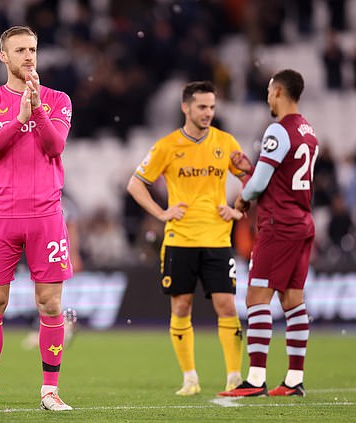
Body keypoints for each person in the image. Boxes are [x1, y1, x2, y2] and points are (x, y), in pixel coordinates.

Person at [0, 25, 74, 412]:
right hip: (1, 216)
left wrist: (37, 110)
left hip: (45, 215)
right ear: (4, 57)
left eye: (32, 49)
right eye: (20, 50)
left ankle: (49, 391)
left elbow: (55, 144)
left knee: (50, 304)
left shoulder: (58, 100)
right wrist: (18, 118)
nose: (28, 56)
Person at [126, 81, 246, 396]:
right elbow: (136, 185)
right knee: (181, 307)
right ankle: (190, 378)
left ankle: (234, 376)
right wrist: (162, 212)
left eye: (211, 107)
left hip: (218, 239)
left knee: (227, 306)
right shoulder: (167, 146)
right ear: (186, 108)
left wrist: (238, 208)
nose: (208, 113)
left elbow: (252, 178)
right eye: (202, 107)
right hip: (180, 239)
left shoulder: (226, 142)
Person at [220, 69, 319, 397]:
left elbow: (262, 184)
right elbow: (283, 176)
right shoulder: (309, 132)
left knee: (257, 298)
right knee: (293, 300)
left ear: (278, 91)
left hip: (279, 225)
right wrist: (252, 169)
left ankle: (256, 378)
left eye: (268, 91)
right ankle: (293, 379)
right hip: (302, 222)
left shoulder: (278, 131)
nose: (266, 97)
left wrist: (244, 191)